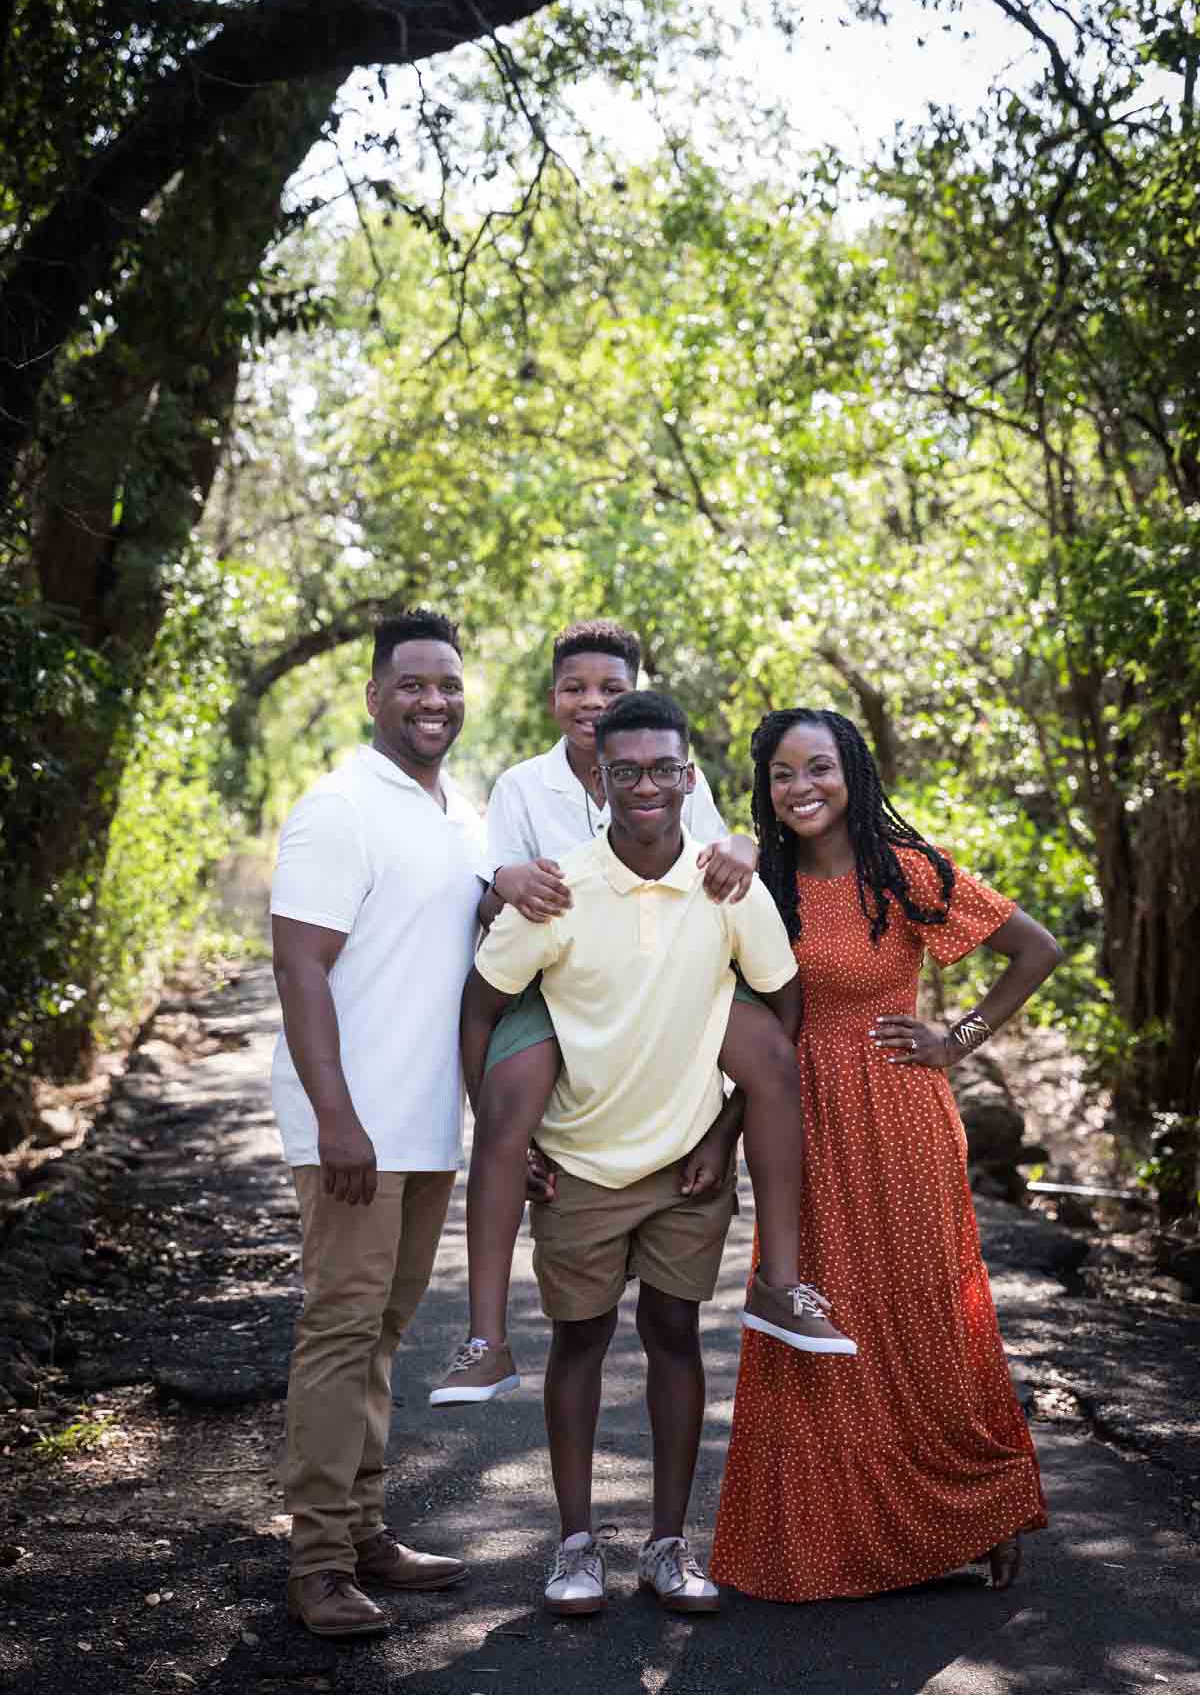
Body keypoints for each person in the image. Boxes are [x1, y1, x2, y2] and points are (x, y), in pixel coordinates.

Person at [430, 621, 852, 1408]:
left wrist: (745, 849)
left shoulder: (661, 759)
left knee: (768, 1056)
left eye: (610, 688)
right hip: (564, 977)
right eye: (575, 688)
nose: (592, 702)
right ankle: (486, 1337)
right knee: (510, 1093)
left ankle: (781, 1280)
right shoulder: (526, 785)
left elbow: (720, 842)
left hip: (676, 969)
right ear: (552, 699)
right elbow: (495, 892)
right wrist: (515, 880)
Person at [457, 690, 814, 1616]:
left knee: (674, 1337)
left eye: (664, 769)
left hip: (686, 1168)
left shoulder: (729, 883)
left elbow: (783, 1015)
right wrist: (508, 1129)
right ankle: (574, 1545)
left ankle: (666, 1544)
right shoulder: (558, 889)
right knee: (580, 1339)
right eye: (628, 772)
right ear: (601, 783)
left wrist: (726, 1132)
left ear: (689, 779)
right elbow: (482, 1006)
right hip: (582, 1161)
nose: (647, 785)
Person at [710, 707, 1061, 1604]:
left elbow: (1036, 948)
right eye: (783, 775)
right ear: (767, 788)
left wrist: (958, 1038)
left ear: (851, 771)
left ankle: (976, 1510)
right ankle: (824, 1542)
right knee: (812, 1318)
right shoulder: (762, 884)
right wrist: (718, 1137)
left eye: (818, 768)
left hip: (900, 1117)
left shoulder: (903, 873)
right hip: (797, 1127)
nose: (803, 789)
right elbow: (738, 1019)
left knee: (921, 1315)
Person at [270, 611, 483, 1638]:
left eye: (446, 682)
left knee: (385, 1334)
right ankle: (316, 1564)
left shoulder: (463, 812)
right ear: (373, 696)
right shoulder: (339, 808)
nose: (432, 700)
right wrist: (336, 1115)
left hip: (426, 1124)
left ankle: (361, 1531)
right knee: (340, 1330)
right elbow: (299, 964)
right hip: (352, 1128)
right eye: (411, 684)